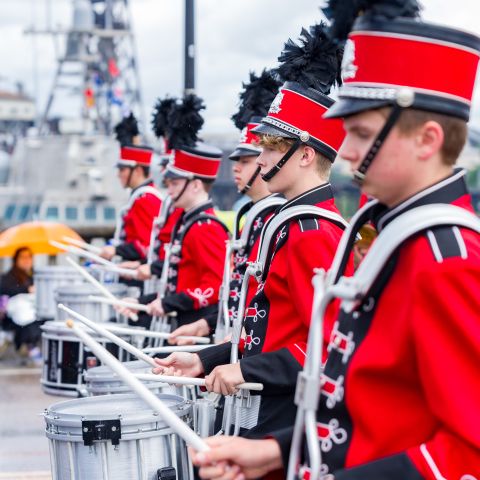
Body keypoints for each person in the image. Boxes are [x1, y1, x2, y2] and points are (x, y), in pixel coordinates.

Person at [189, 1, 480, 478]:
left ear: (427, 141)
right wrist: (280, 451)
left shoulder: (448, 259)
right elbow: (366, 407)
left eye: (362, 134)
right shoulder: (391, 235)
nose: (344, 150)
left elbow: (468, 452)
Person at [155, 23, 351, 442]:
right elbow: (264, 334)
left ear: (303, 155)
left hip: (284, 421)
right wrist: (204, 360)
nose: (259, 160)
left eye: (268, 149)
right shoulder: (293, 223)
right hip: (259, 412)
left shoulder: (312, 233)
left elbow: (327, 350)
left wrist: (242, 370)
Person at [167, 69, 282, 344]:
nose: (235, 169)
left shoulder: (272, 218)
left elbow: (266, 299)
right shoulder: (254, 216)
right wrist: (207, 325)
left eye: (245, 161)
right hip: (228, 338)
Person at [119, 95, 229, 332]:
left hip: (190, 329)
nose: (167, 189)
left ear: (196, 185)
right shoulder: (189, 221)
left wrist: (166, 303)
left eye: (174, 183)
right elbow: (178, 281)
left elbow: (214, 287)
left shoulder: (206, 228)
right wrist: (141, 303)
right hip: (178, 321)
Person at [100, 114, 162, 263]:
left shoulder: (145, 199)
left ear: (138, 171)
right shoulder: (140, 197)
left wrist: (116, 250)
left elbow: (145, 246)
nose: (118, 175)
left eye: (122, 169)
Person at [0, 247, 40, 363]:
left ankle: (25, 343)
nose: (26, 260)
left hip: (30, 311)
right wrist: (27, 289)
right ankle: (26, 344)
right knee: (26, 317)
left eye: (29, 257)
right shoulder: (8, 277)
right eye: (23, 257)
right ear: (16, 259)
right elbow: (7, 290)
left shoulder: (33, 277)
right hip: (12, 315)